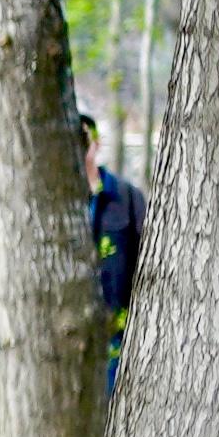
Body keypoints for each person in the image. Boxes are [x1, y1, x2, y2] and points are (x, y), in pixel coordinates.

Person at [81, 116, 146, 367]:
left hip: (117, 333)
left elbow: (146, 260)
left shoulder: (127, 197)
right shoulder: (58, 205)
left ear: (96, 143)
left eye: (84, 138)